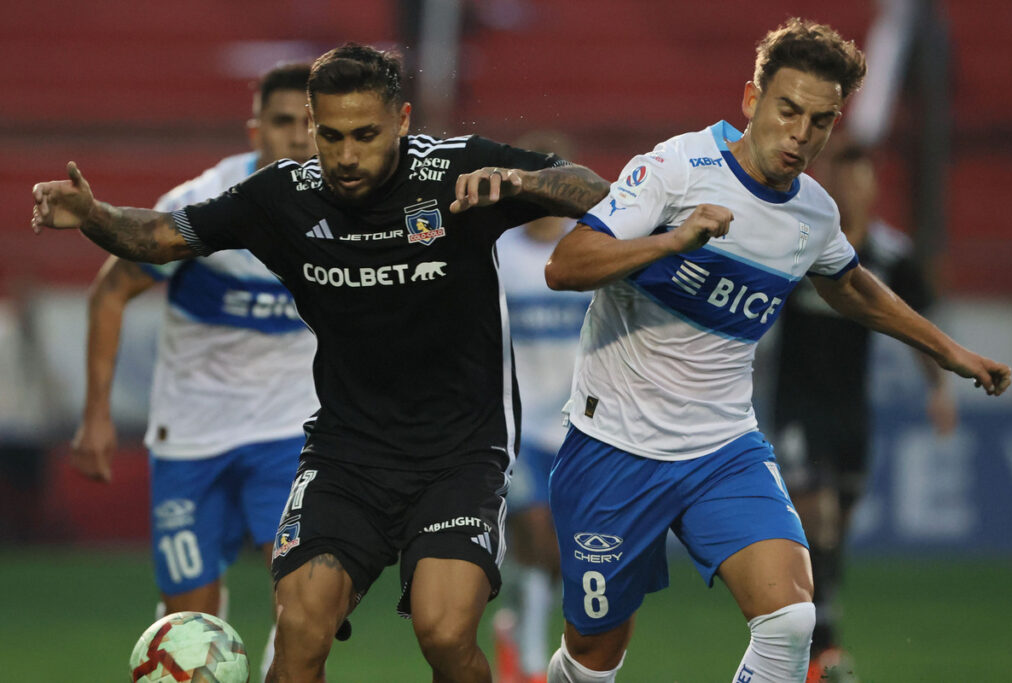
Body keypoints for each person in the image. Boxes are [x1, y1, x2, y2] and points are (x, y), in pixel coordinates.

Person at [31, 43, 608, 683]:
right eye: (330, 135)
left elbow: (595, 190)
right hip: (346, 454)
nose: (347, 155)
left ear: (403, 120)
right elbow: (159, 237)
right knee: (301, 631)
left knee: (443, 633)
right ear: (311, 127)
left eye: (366, 134)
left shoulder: (456, 172)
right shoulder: (281, 198)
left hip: (460, 454)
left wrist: (523, 182)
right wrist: (91, 215)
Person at [542, 18, 1011, 683]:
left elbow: (850, 286)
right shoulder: (675, 169)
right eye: (787, 110)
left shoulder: (813, 214)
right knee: (595, 655)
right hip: (615, 446)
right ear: (750, 100)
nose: (800, 133)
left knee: (792, 620)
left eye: (819, 121)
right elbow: (567, 263)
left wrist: (948, 351)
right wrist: (671, 243)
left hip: (721, 448)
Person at [67, 62, 318, 678]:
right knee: (188, 626)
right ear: (254, 129)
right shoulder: (202, 206)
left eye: (309, 124)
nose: (297, 137)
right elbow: (110, 291)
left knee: (306, 606)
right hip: (191, 437)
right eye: (282, 122)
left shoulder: (347, 212)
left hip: (290, 434)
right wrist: (96, 413)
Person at [770, 137, 957, 681]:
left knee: (835, 535)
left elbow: (918, 324)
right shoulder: (799, 245)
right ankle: (821, 651)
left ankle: (812, 632)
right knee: (818, 521)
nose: (853, 190)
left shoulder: (891, 256)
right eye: (843, 179)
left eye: (862, 179)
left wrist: (938, 390)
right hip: (797, 406)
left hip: (852, 413)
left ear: (873, 188)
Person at [493, 132, 593, 683]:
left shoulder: (589, 249)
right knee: (538, 530)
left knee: (560, 554)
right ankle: (531, 663)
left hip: (577, 425)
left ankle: (512, 628)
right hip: (517, 424)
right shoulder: (500, 255)